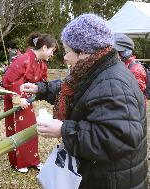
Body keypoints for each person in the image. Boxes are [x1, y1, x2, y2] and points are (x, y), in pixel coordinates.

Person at [21, 14, 147, 188]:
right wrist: (40, 88)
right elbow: (77, 91)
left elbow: (117, 138)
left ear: (84, 52)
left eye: (67, 51)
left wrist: (64, 130)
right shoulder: (97, 70)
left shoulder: (112, 84)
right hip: (104, 173)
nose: (64, 57)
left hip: (112, 180)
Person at [1, 32, 58, 173]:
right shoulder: (24, 58)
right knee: (18, 129)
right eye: (52, 51)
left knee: (31, 128)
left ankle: (32, 160)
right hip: (16, 99)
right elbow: (8, 79)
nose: (52, 55)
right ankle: (18, 163)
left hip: (27, 100)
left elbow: (42, 82)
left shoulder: (41, 64)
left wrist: (38, 90)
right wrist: (19, 97)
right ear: (44, 47)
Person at [114, 33, 147, 98]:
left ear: (125, 52)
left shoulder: (135, 69)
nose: (116, 55)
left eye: (118, 52)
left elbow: (136, 93)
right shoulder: (122, 64)